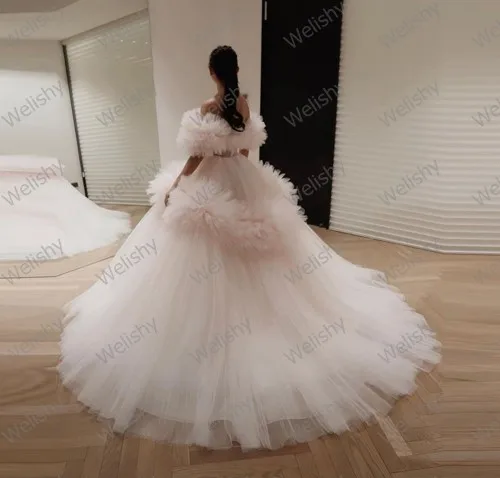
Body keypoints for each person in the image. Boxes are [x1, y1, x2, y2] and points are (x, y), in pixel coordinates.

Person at [58, 45, 440, 451]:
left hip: (213, 177)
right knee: (260, 240)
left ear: (211, 71)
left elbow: (196, 156)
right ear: (236, 69)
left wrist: (177, 185)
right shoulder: (243, 103)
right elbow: (244, 149)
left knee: (196, 240)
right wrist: (238, 171)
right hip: (242, 175)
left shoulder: (207, 107)